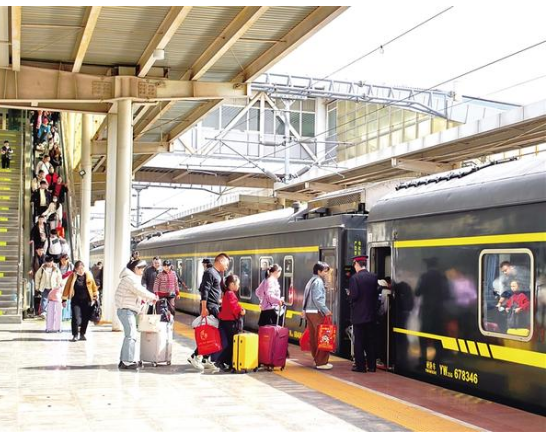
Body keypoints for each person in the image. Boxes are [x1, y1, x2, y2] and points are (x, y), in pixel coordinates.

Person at [187, 253, 230, 372]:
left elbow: (214, 291)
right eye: (226, 264)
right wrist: (204, 308)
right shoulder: (209, 273)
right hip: (210, 307)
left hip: (214, 305)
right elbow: (204, 291)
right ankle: (195, 356)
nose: (227, 267)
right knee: (210, 332)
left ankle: (205, 359)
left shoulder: (217, 274)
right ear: (221, 261)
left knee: (212, 333)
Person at [115, 259, 158, 370]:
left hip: (127, 310)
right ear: (135, 268)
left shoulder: (131, 278)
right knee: (131, 335)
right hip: (126, 310)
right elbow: (140, 291)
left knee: (129, 335)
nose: (143, 271)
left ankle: (124, 360)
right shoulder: (130, 279)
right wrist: (153, 297)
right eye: (141, 268)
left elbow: (138, 294)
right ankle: (127, 361)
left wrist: (148, 300)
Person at [348, 256, 379, 373]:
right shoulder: (373, 277)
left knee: (359, 341)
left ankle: (360, 366)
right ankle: (372, 366)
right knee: (370, 340)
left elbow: (354, 296)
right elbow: (375, 295)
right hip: (371, 315)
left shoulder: (354, 278)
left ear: (356, 264)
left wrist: (349, 296)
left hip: (358, 315)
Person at [302, 261, 333, 370]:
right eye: (325, 271)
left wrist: (304, 310)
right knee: (323, 336)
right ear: (319, 271)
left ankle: (316, 359)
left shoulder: (311, 281)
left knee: (314, 337)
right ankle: (321, 362)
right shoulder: (318, 282)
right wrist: (326, 310)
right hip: (317, 312)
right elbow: (317, 299)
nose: (326, 273)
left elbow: (305, 297)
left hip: (309, 312)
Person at [62, 261, 98, 342]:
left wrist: (94, 297)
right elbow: (67, 287)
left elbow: (93, 287)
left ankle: (82, 334)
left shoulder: (88, 275)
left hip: (87, 301)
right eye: (79, 269)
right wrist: (64, 299)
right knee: (75, 318)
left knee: (85, 318)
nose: (81, 270)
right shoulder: (72, 276)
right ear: (75, 269)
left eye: (82, 268)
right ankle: (75, 335)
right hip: (76, 300)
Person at [217, 274, 245, 371]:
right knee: (233, 343)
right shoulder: (230, 294)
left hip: (226, 321)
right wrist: (241, 310)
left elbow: (233, 305)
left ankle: (229, 363)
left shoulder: (227, 293)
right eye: (238, 284)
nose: (239, 286)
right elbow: (234, 307)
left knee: (231, 343)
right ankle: (221, 361)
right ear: (232, 284)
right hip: (229, 322)